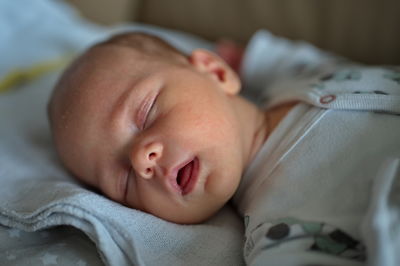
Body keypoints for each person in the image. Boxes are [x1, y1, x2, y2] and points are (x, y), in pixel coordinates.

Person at [48, 31, 400, 265]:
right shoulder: (279, 230)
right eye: (123, 181)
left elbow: (305, 61)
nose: (142, 160)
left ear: (216, 73)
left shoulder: (299, 79)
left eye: (145, 113)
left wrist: (252, 58)